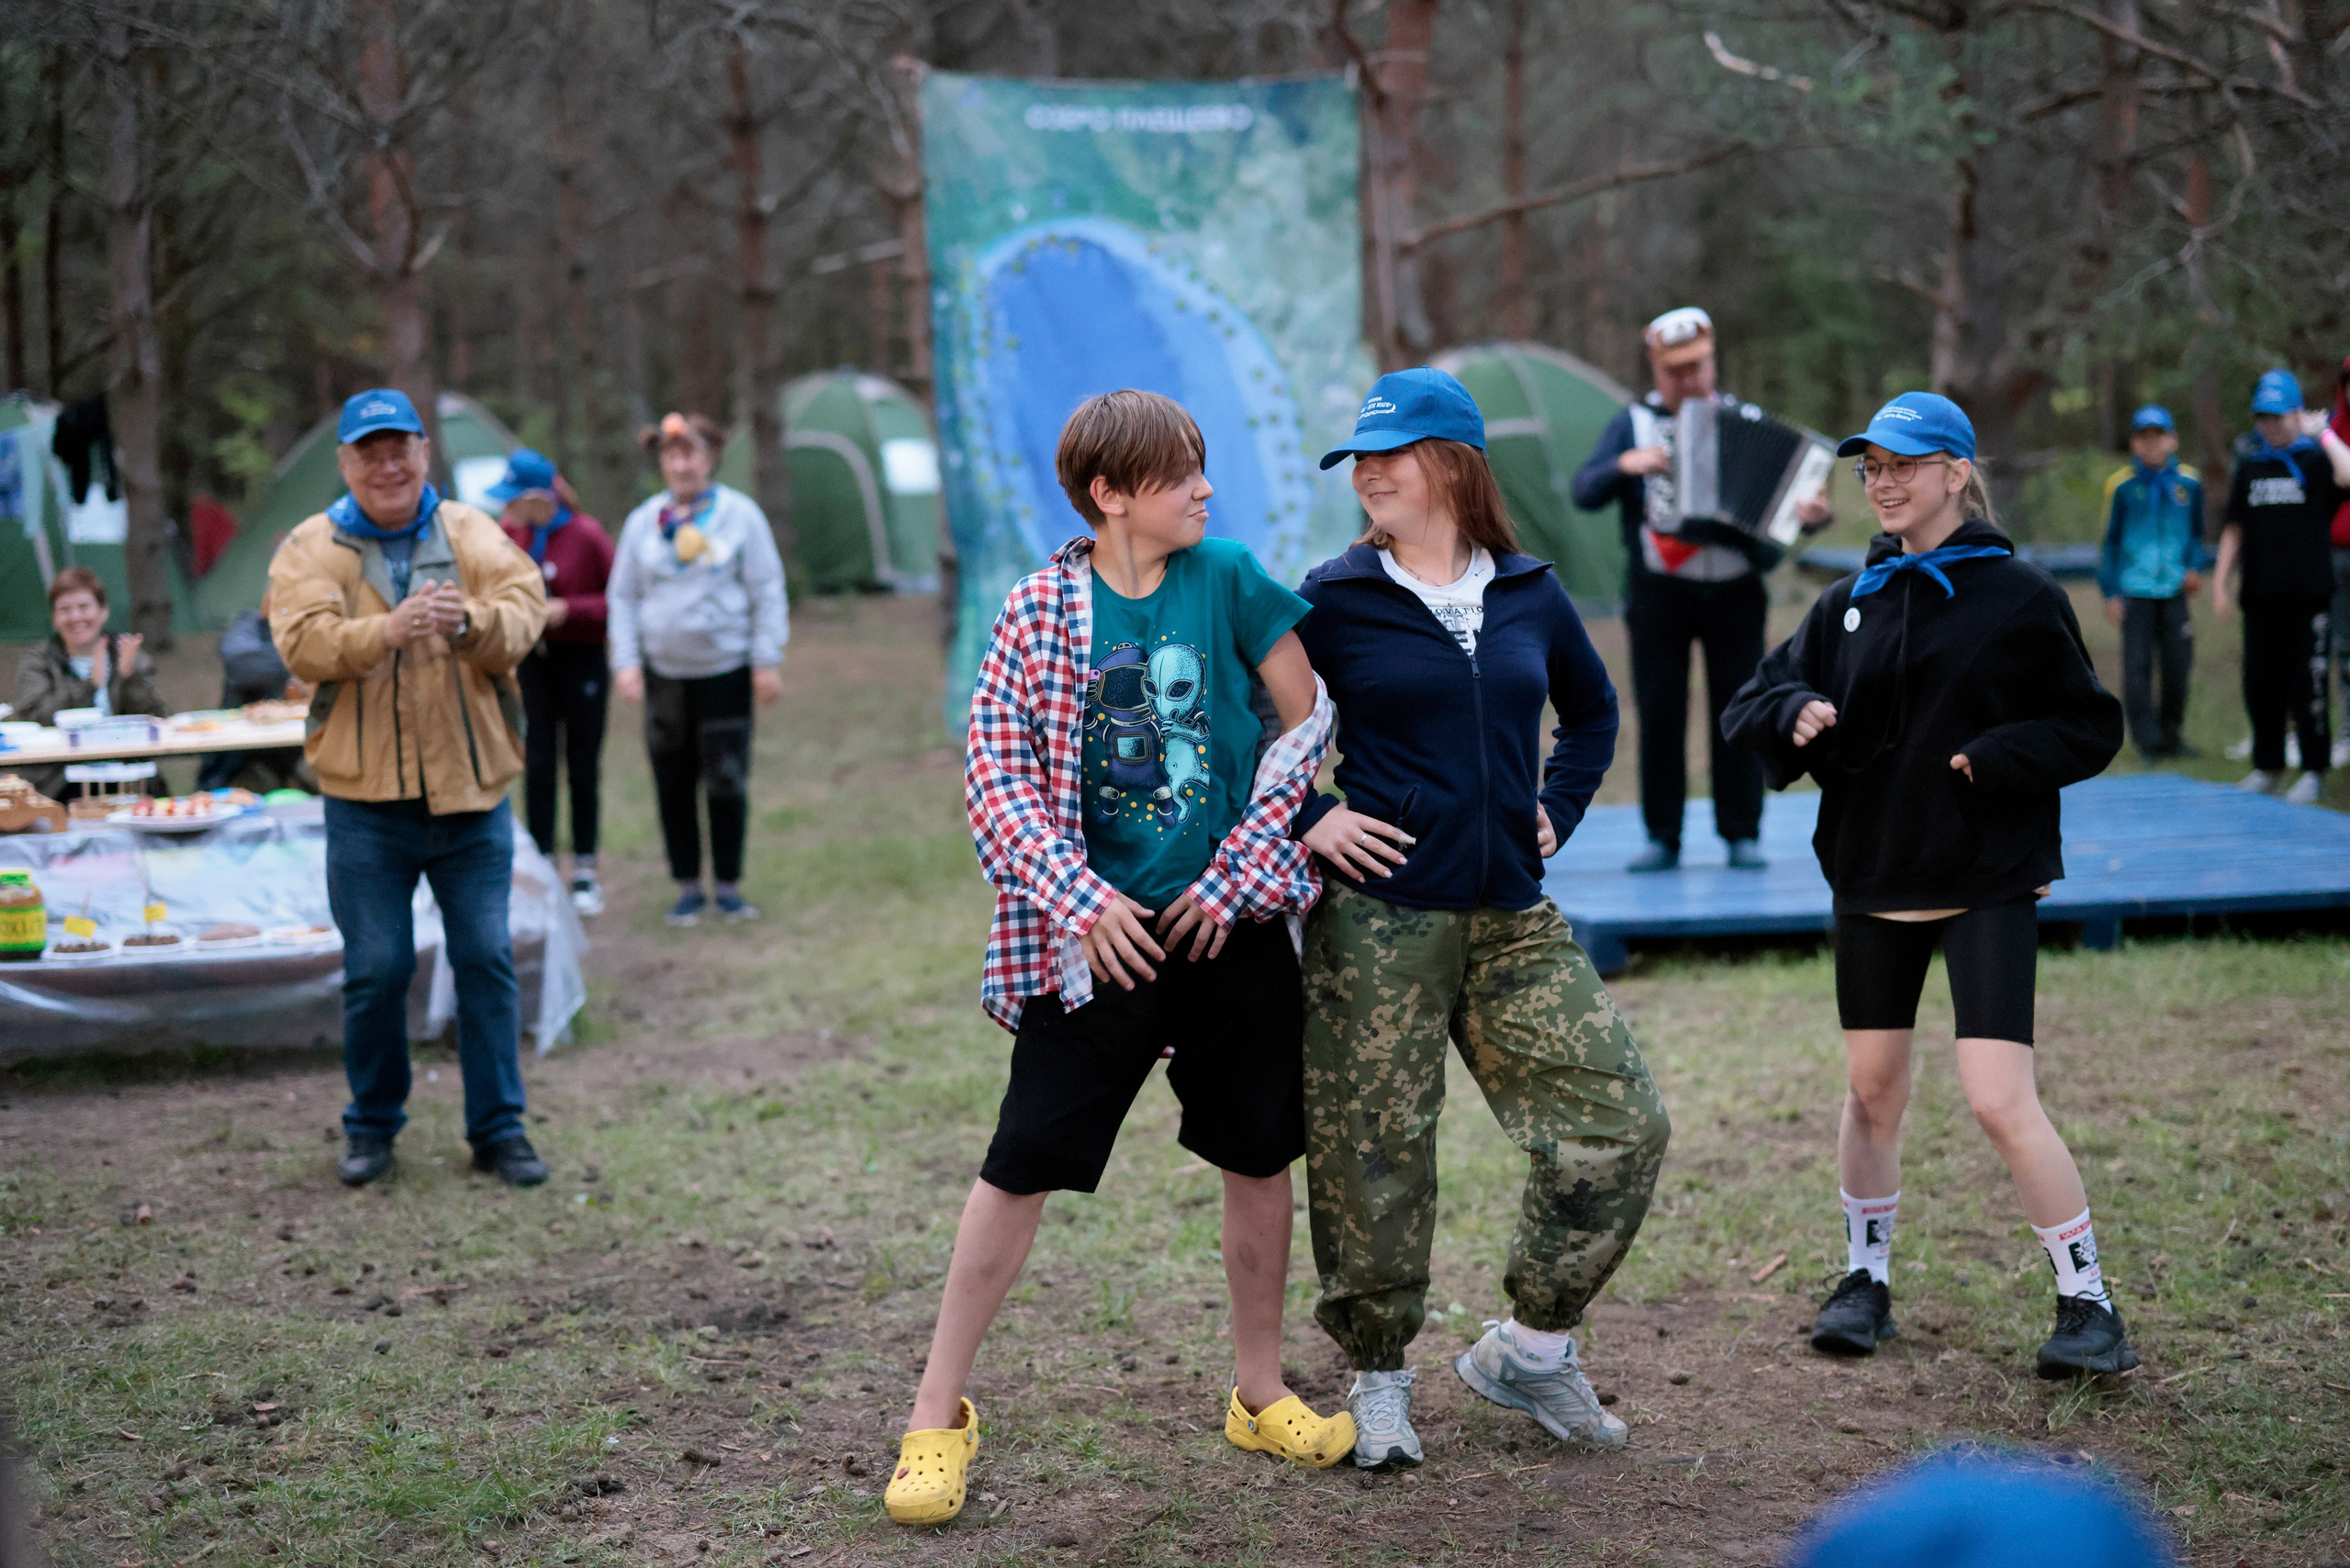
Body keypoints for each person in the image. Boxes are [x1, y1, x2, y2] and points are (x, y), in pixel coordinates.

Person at [885, 391, 1348, 1529]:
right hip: (1097, 945)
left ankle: (1258, 1388)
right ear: (1111, 493)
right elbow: (992, 782)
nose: (1204, 488)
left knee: (1256, 1152)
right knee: (1020, 1161)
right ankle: (935, 1415)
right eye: (1182, 472)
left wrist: (1241, 872)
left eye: (1202, 468)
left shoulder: (1230, 575)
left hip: (1225, 929)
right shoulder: (1041, 608)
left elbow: (1310, 728)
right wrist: (1083, 902)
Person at [1293, 368, 1667, 1470]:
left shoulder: (1531, 590)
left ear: (1453, 463)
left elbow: (1592, 711)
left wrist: (1553, 808)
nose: (1369, 473)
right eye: (1358, 457)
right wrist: (1313, 815)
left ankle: (1531, 1350)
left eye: (1391, 453)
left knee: (1619, 1125)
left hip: (1512, 914)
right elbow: (1236, 734)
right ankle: (1377, 1377)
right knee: (1375, 1153)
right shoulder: (1330, 597)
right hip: (1378, 922)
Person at [1722, 393, 2134, 1380]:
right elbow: (1752, 700)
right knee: (1871, 1091)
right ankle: (1864, 1281)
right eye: (1870, 467)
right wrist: (1797, 711)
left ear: (1957, 471)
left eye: (1905, 464)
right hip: (1872, 872)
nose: (1884, 482)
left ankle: (2088, 1302)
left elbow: (2089, 724)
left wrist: (1997, 757)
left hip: (1986, 876)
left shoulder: (2022, 596)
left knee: (1997, 1097)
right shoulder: (1848, 600)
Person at [269, 388, 550, 1190]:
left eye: (400, 449)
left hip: (471, 797)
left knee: (487, 960)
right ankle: (371, 1128)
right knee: (378, 968)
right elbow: (301, 641)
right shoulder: (308, 545)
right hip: (364, 805)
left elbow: (523, 612)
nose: (387, 465)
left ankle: (500, 1131)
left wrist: (468, 626)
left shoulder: (471, 531)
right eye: (369, 452)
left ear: (425, 453)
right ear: (345, 463)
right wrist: (382, 633)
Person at [1572, 306, 1832, 872]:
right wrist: (1626, 465)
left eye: (1697, 367)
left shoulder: (1746, 419)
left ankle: (1742, 831)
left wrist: (1811, 516)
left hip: (1736, 593)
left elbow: (1790, 514)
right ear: (1656, 370)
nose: (1688, 380)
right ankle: (1662, 836)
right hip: (1659, 593)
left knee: (1739, 706)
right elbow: (1584, 490)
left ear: (1713, 363)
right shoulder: (1633, 424)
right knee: (1661, 711)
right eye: (1676, 370)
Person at [607, 413, 787, 926]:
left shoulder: (739, 516)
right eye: (671, 456)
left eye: (690, 454)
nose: (681, 464)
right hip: (665, 674)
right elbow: (622, 597)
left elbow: (766, 589)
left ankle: (728, 885)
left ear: (709, 460)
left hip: (725, 670)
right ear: (663, 463)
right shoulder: (645, 521)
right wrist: (626, 662)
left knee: (726, 778)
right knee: (671, 778)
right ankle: (687, 885)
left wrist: (766, 659)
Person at [2211, 368, 2350, 803]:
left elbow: (2348, 476)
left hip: (2308, 597)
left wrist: (2323, 432)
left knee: (2306, 684)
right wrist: (2220, 583)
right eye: (2263, 418)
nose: (2270, 426)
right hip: (2261, 595)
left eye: (2279, 416)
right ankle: (2267, 765)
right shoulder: (2251, 465)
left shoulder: (2317, 461)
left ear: (2296, 414)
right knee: (2261, 684)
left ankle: (2313, 769)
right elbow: (2234, 528)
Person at [491, 448, 616, 917]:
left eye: (514, 499)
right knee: (538, 763)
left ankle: (585, 869)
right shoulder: (510, 535)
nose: (507, 508)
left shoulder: (585, 535)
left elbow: (619, 597)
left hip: (581, 658)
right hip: (532, 662)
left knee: (582, 765)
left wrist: (571, 610)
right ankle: (542, 866)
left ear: (539, 497)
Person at [2094, 405, 2206, 760]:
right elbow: (2108, 542)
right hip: (2135, 591)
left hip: (2174, 589)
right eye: (2144, 437)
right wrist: (2111, 591)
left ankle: (2172, 734)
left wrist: (2193, 567)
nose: (2152, 444)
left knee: (2177, 665)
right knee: (2137, 667)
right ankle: (2147, 740)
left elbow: (2198, 534)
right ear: (2134, 444)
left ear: (2172, 440)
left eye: (2159, 436)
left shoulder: (2188, 482)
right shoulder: (2123, 486)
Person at [9, 568, 165, 802]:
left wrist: (129, 676)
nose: (76, 617)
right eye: (65, 609)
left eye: (84, 607)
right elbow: (34, 716)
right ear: (54, 618)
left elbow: (155, 718)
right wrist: (89, 685)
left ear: (103, 612)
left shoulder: (127, 653)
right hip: (60, 777)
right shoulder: (39, 660)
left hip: (126, 772)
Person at [196, 591, 313, 793]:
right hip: (242, 759)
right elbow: (242, 665)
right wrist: (301, 659)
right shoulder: (248, 628)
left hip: (296, 752)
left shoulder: (309, 633)